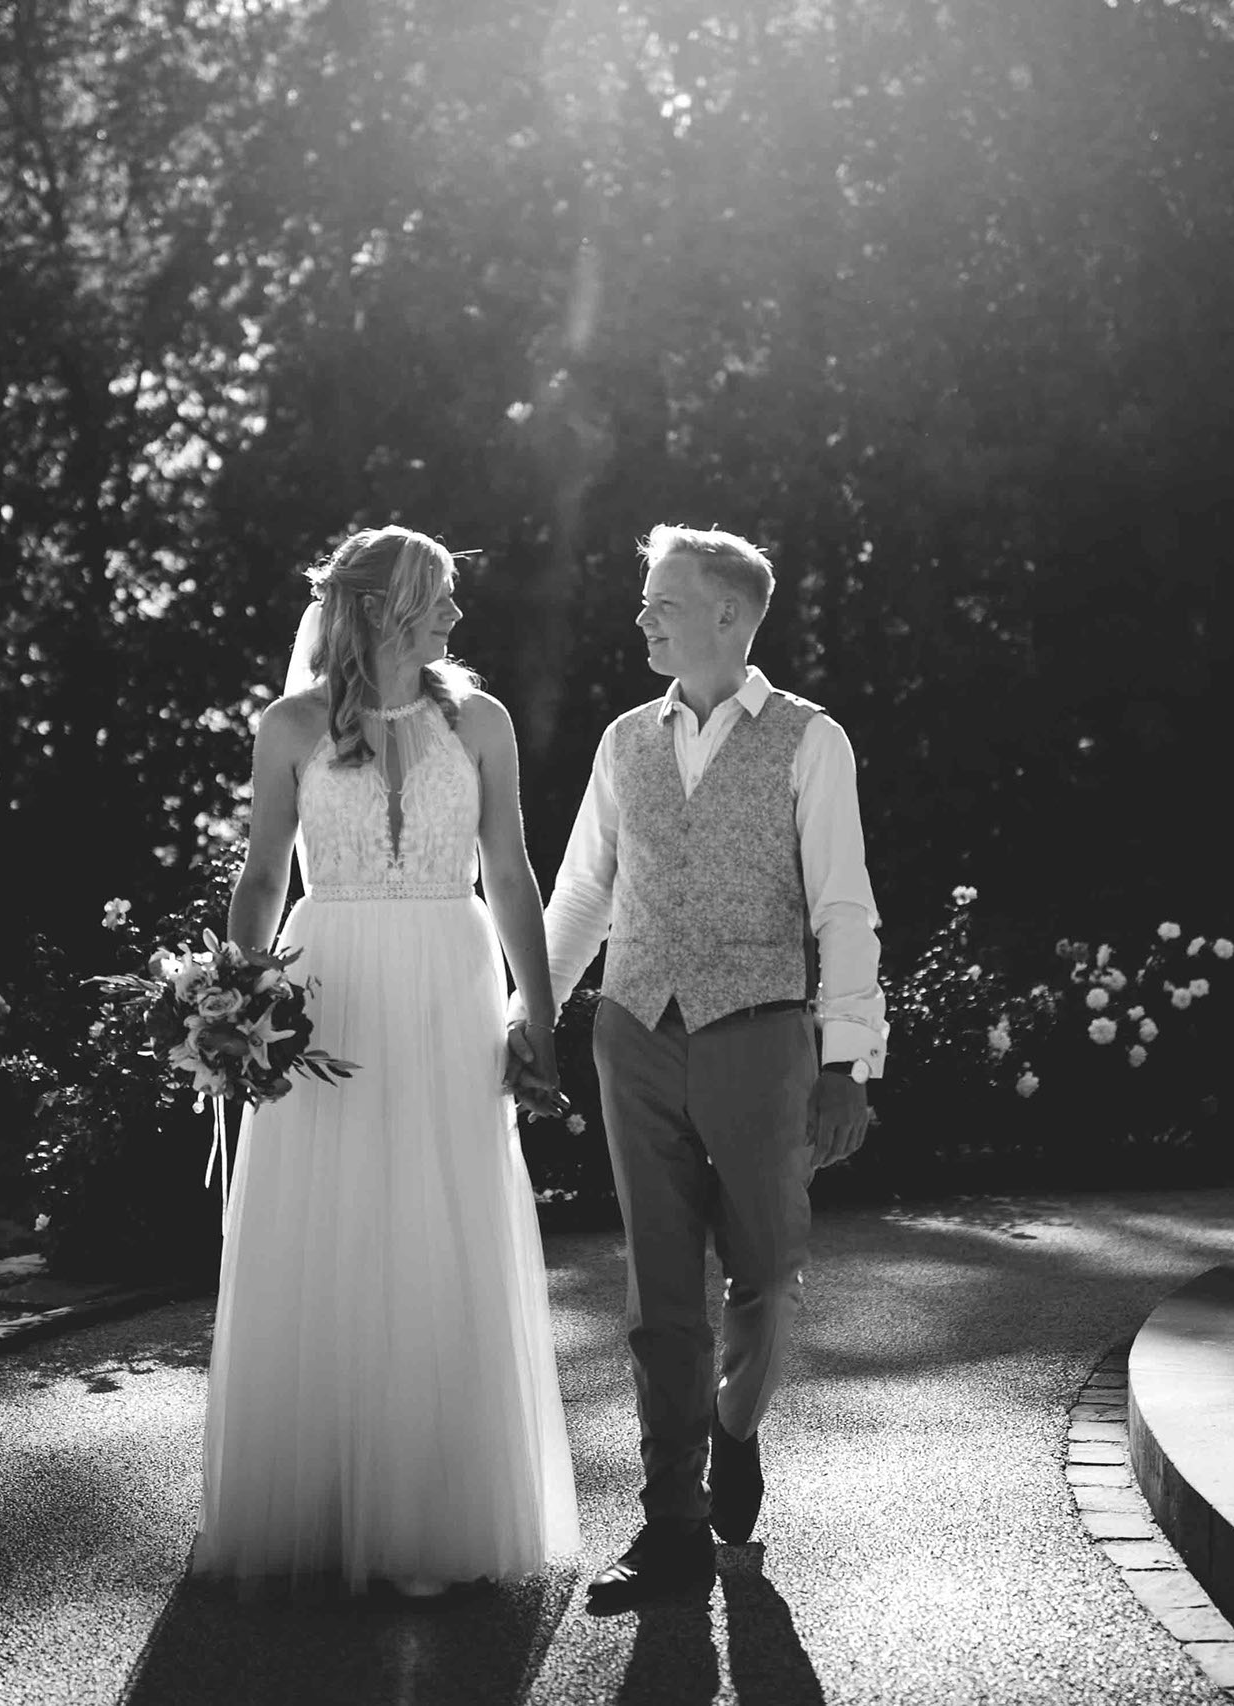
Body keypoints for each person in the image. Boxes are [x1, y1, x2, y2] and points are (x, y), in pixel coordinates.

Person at [191, 525, 580, 1598]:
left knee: (439, 1214)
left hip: (453, 978)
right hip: (332, 983)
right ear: (377, 607)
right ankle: (320, 1504)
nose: (455, 611)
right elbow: (262, 873)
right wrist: (235, 1000)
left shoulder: (481, 721)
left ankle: (430, 1510)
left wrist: (538, 1017)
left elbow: (511, 871)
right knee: (333, 1215)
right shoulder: (291, 725)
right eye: (436, 594)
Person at [516, 524, 885, 1615]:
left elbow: (843, 907)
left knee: (767, 1268)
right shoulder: (624, 738)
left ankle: (733, 1424)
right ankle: (668, 1521)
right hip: (633, 1030)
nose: (642, 616)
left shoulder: (811, 739)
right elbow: (584, 891)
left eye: (661, 600)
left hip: (759, 1034)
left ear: (728, 614)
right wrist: (533, 1016)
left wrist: (847, 1061)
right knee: (659, 1288)